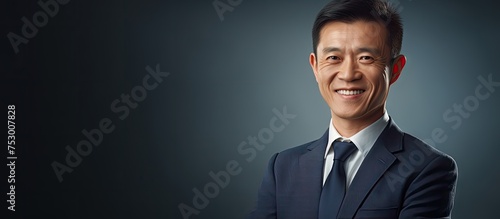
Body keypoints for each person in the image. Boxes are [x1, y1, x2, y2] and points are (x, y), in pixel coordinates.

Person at [248, 0, 458, 218]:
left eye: (366, 58)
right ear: (316, 67)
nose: (348, 75)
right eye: (333, 58)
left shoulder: (427, 168)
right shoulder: (282, 166)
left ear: (395, 69)